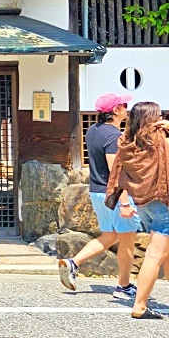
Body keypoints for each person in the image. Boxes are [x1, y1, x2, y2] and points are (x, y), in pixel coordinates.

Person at [59, 94, 140, 296]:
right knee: (127, 239)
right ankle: (123, 286)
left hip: (97, 191)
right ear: (115, 111)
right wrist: (124, 203)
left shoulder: (93, 131)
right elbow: (117, 172)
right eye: (124, 105)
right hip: (114, 195)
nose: (126, 109)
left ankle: (73, 262)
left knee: (110, 235)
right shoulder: (113, 136)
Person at [106, 100, 169, 319]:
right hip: (164, 203)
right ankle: (140, 305)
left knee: (166, 254)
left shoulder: (127, 142)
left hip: (143, 203)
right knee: (155, 254)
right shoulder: (161, 143)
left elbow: (121, 175)